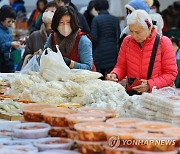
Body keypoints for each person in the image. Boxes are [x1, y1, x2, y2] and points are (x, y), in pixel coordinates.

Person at [106, 10, 177, 96]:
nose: (134, 36)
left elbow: (171, 73)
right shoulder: (127, 41)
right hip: (133, 94)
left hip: (156, 96)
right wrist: (115, 75)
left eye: (138, 32)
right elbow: (121, 66)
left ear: (149, 28)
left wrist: (150, 84)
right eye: (131, 31)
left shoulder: (163, 43)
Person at [44, 6, 93, 70]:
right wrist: (42, 56)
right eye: (61, 22)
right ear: (56, 23)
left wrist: (70, 63)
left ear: (73, 23)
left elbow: (88, 67)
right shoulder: (52, 37)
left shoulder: (82, 40)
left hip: (79, 78)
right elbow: (44, 57)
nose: (65, 26)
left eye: (68, 22)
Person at [90, 0, 120, 79]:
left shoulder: (96, 20)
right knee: (111, 78)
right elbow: (118, 37)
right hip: (113, 52)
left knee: (99, 79)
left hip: (99, 53)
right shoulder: (115, 19)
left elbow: (94, 38)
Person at [0, 5, 20, 73]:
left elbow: (9, 48)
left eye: (13, 21)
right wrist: (10, 44)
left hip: (9, 63)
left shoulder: (9, 30)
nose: (11, 23)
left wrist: (16, 44)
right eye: (9, 21)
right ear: (2, 19)